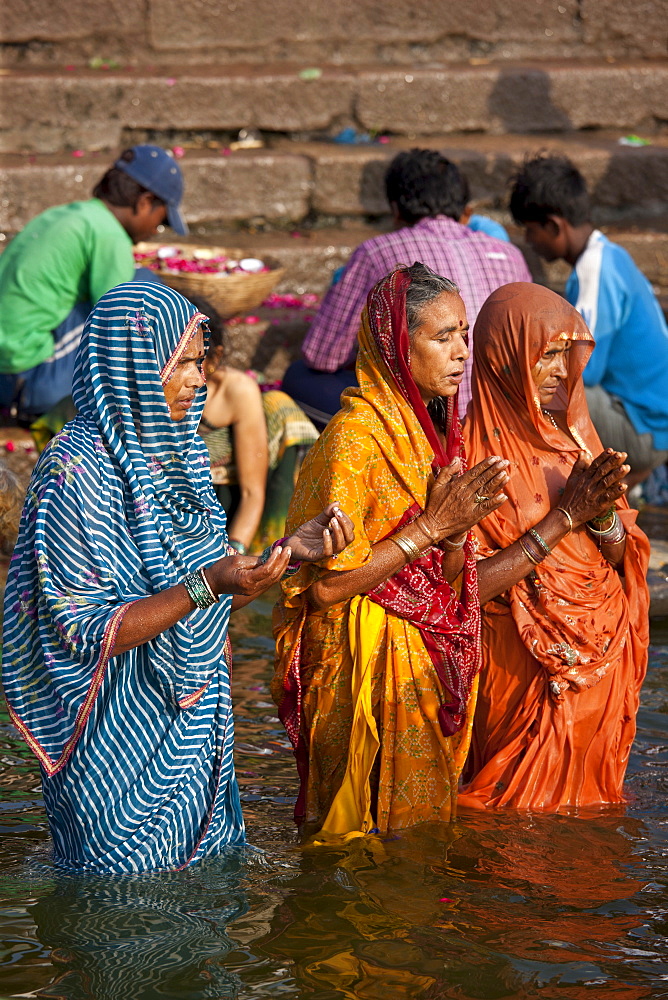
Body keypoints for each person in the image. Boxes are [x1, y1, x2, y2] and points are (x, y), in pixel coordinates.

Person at [1, 282, 353, 875]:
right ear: (136, 363)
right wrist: (208, 585)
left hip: (196, 731)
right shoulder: (74, 470)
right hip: (115, 746)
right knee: (124, 923)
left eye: (199, 361)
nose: (198, 378)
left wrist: (286, 554)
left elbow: (204, 603)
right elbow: (86, 633)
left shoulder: (180, 457)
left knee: (203, 924)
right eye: (184, 361)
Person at [272, 263, 513, 840]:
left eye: (464, 335)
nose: (461, 353)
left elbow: (445, 581)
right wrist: (430, 529)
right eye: (442, 337)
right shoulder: (355, 438)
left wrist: (454, 534)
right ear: (399, 348)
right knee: (354, 840)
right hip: (359, 664)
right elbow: (328, 585)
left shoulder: (435, 432)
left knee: (414, 842)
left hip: (417, 655)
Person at [458, 282, 650, 811]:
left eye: (568, 355)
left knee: (587, 818)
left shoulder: (573, 437)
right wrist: (566, 517)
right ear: (505, 357)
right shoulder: (468, 459)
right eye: (547, 355)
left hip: (598, 657)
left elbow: (618, 556)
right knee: (509, 817)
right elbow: (461, 591)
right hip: (519, 666)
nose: (563, 372)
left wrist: (604, 511)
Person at [282, 148, 531, 426]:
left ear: (396, 209)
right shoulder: (510, 254)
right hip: (504, 417)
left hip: (428, 419)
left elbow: (323, 355)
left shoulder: (377, 252)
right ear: (464, 211)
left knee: (298, 377)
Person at [510, 153, 668, 487]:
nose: (528, 241)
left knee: (538, 390)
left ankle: (547, 488)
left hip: (646, 427)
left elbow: (582, 368)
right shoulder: (609, 255)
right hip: (649, 417)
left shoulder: (595, 270)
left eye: (530, 230)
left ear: (554, 225)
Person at [0, 144, 186, 424]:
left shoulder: (71, 214)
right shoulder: (109, 234)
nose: (154, 232)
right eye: (161, 222)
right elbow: (120, 325)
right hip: (26, 378)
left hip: (10, 368)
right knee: (145, 286)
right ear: (145, 202)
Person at [193, 297, 319, 554]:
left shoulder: (235, 391)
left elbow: (252, 494)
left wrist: (233, 556)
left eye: (192, 361)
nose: (179, 373)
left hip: (222, 509)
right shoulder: (147, 393)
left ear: (215, 358)